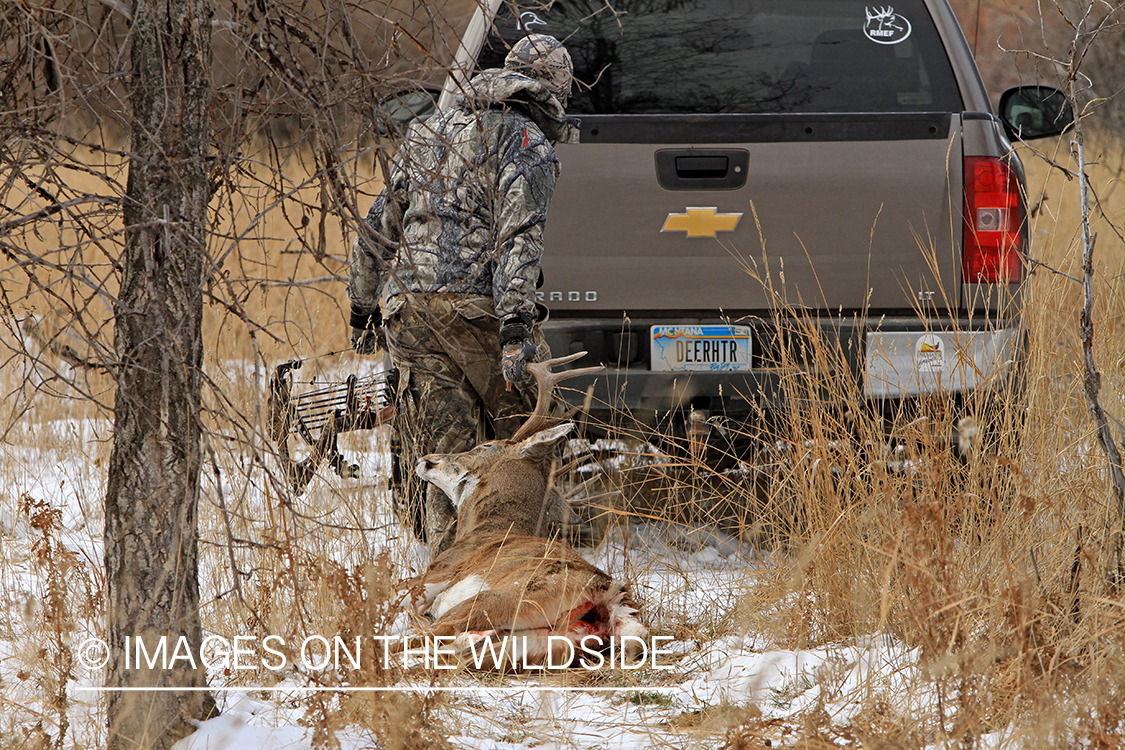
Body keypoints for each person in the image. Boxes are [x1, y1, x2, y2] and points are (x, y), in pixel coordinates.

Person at [347, 34, 579, 554]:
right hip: (479, 315)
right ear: (556, 91)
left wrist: (363, 308)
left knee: (447, 461)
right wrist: (517, 330)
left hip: (410, 316)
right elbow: (520, 237)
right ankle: (522, 565)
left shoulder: (429, 131)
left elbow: (377, 229)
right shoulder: (527, 143)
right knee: (533, 444)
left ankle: (449, 578)